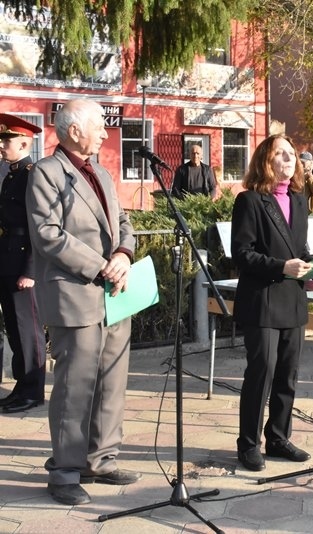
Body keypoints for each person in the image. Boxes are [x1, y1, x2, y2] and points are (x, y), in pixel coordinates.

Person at [27, 99, 140, 505]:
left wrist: (124, 255)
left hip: (114, 293)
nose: (105, 134)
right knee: (75, 387)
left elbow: (123, 223)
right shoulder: (47, 173)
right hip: (75, 293)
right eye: (98, 127)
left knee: (112, 382)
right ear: (74, 130)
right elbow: (48, 234)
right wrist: (101, 266)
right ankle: (65, 471)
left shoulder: (102, 174)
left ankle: (101, 459)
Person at [231, 133, 313, 472]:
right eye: (281, 154)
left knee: (288, 375)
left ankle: (278, 438)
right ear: (266, 161)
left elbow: (299, 248)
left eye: (292, 154)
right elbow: (242, 254)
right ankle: (248, 444)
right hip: (263, 301)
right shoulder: (249, 201)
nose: (289, 159)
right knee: (261, 373)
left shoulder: (298, 200)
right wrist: (281, 267)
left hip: (293, 300)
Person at [0, 114, 47, 413]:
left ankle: (33, 391)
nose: (2, 146)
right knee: (15, 330)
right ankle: (22, 387)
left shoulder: (31, 174)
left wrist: (30, 270)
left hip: (22, 263)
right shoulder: (11, 173)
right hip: (7, 257)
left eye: (7, 141)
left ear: (24, 143)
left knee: (28, 330)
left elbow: (37, 226)